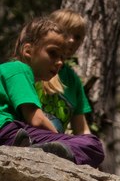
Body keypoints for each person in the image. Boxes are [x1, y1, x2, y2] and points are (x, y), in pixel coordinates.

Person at [0, 17, 104, 167]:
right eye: (53, 53)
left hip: (10, 133)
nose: (60, 62)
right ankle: (47, 152)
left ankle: (35, 149)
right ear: (28, 50)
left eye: (62, 57)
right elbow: (36, 119)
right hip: (6, 130)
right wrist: (59, 139)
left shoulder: (10, 71)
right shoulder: (19, 69)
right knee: (93, 145)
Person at [37, 10, 96, 138]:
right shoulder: (34, 67)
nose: (71, 40)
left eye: (77, 37)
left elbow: (81, 129)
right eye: (65, 32)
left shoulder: (73, 81)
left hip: (56, 142)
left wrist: (90, 144)